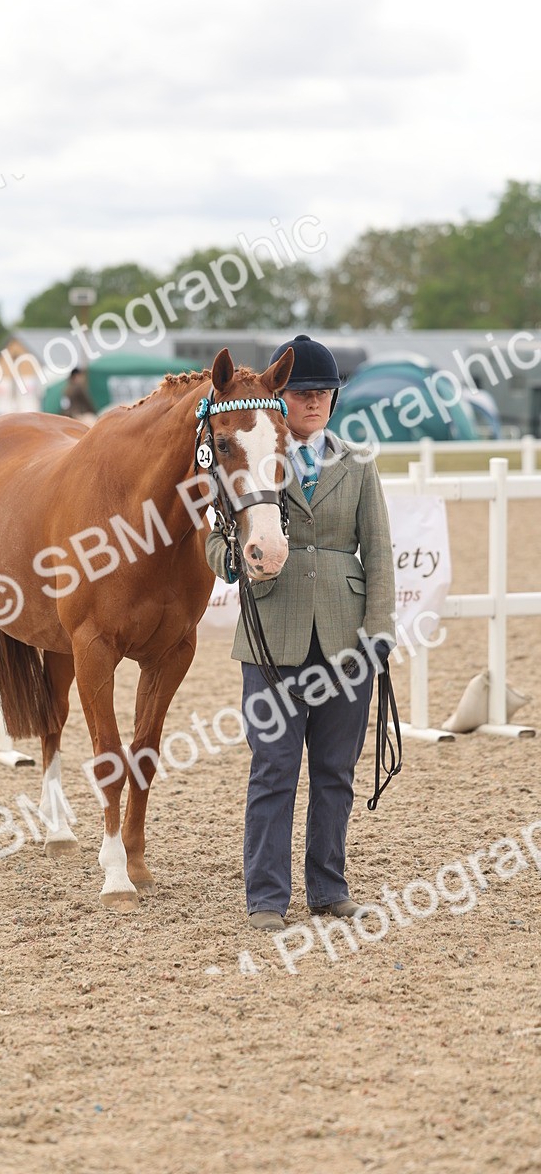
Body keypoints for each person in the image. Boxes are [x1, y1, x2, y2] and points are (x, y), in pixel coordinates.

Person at [205, 335, 396, 932]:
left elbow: (381, 551)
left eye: (322, 393)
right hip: (272, 628)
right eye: (301, 393)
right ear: (280, 398)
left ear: (335, 400)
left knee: (335, 771)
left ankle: (328, 887)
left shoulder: (358, 464)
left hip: (345, 634)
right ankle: (266, 897)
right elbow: (213, 539)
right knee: (273, 768)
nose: (312, 403)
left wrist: (380, 632)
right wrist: (234, 562)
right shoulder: (249, 455)